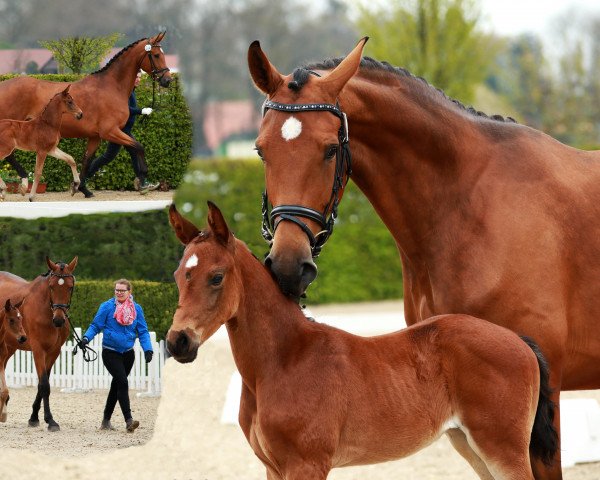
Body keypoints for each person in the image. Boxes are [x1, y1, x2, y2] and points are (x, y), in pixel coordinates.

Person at [79, 279, 153, 432]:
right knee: (123, 382)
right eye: (117, 290)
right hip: (110, 352)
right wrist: (86, 338)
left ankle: (106, 421)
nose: (119, 292)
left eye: (122, 290)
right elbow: (95, 325)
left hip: (128, 354)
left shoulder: (136, 309)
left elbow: (143, 331)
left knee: (117, 385)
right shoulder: (106, 307)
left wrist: (148, 349)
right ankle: (128, 420)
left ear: (129, 292)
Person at [78, 71, 159, 198]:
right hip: (121, 130)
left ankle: (83, 179)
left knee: (108, 157)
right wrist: (141, 111)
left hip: (124, 130)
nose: (138, 80)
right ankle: (142, 183)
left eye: (139, 78)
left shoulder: (131, 91)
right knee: (135, 150)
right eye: (136, 77)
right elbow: (125, 109)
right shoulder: (125, 92)